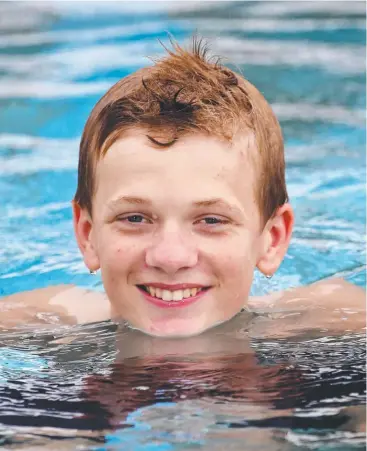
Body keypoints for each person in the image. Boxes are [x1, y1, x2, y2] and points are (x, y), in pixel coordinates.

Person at [1, 38, 365, 337]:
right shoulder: (29, 333)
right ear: (87, 234)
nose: (171, 258)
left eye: (211, 220)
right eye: (135, 218)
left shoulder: (339, 330)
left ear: (271, 238)